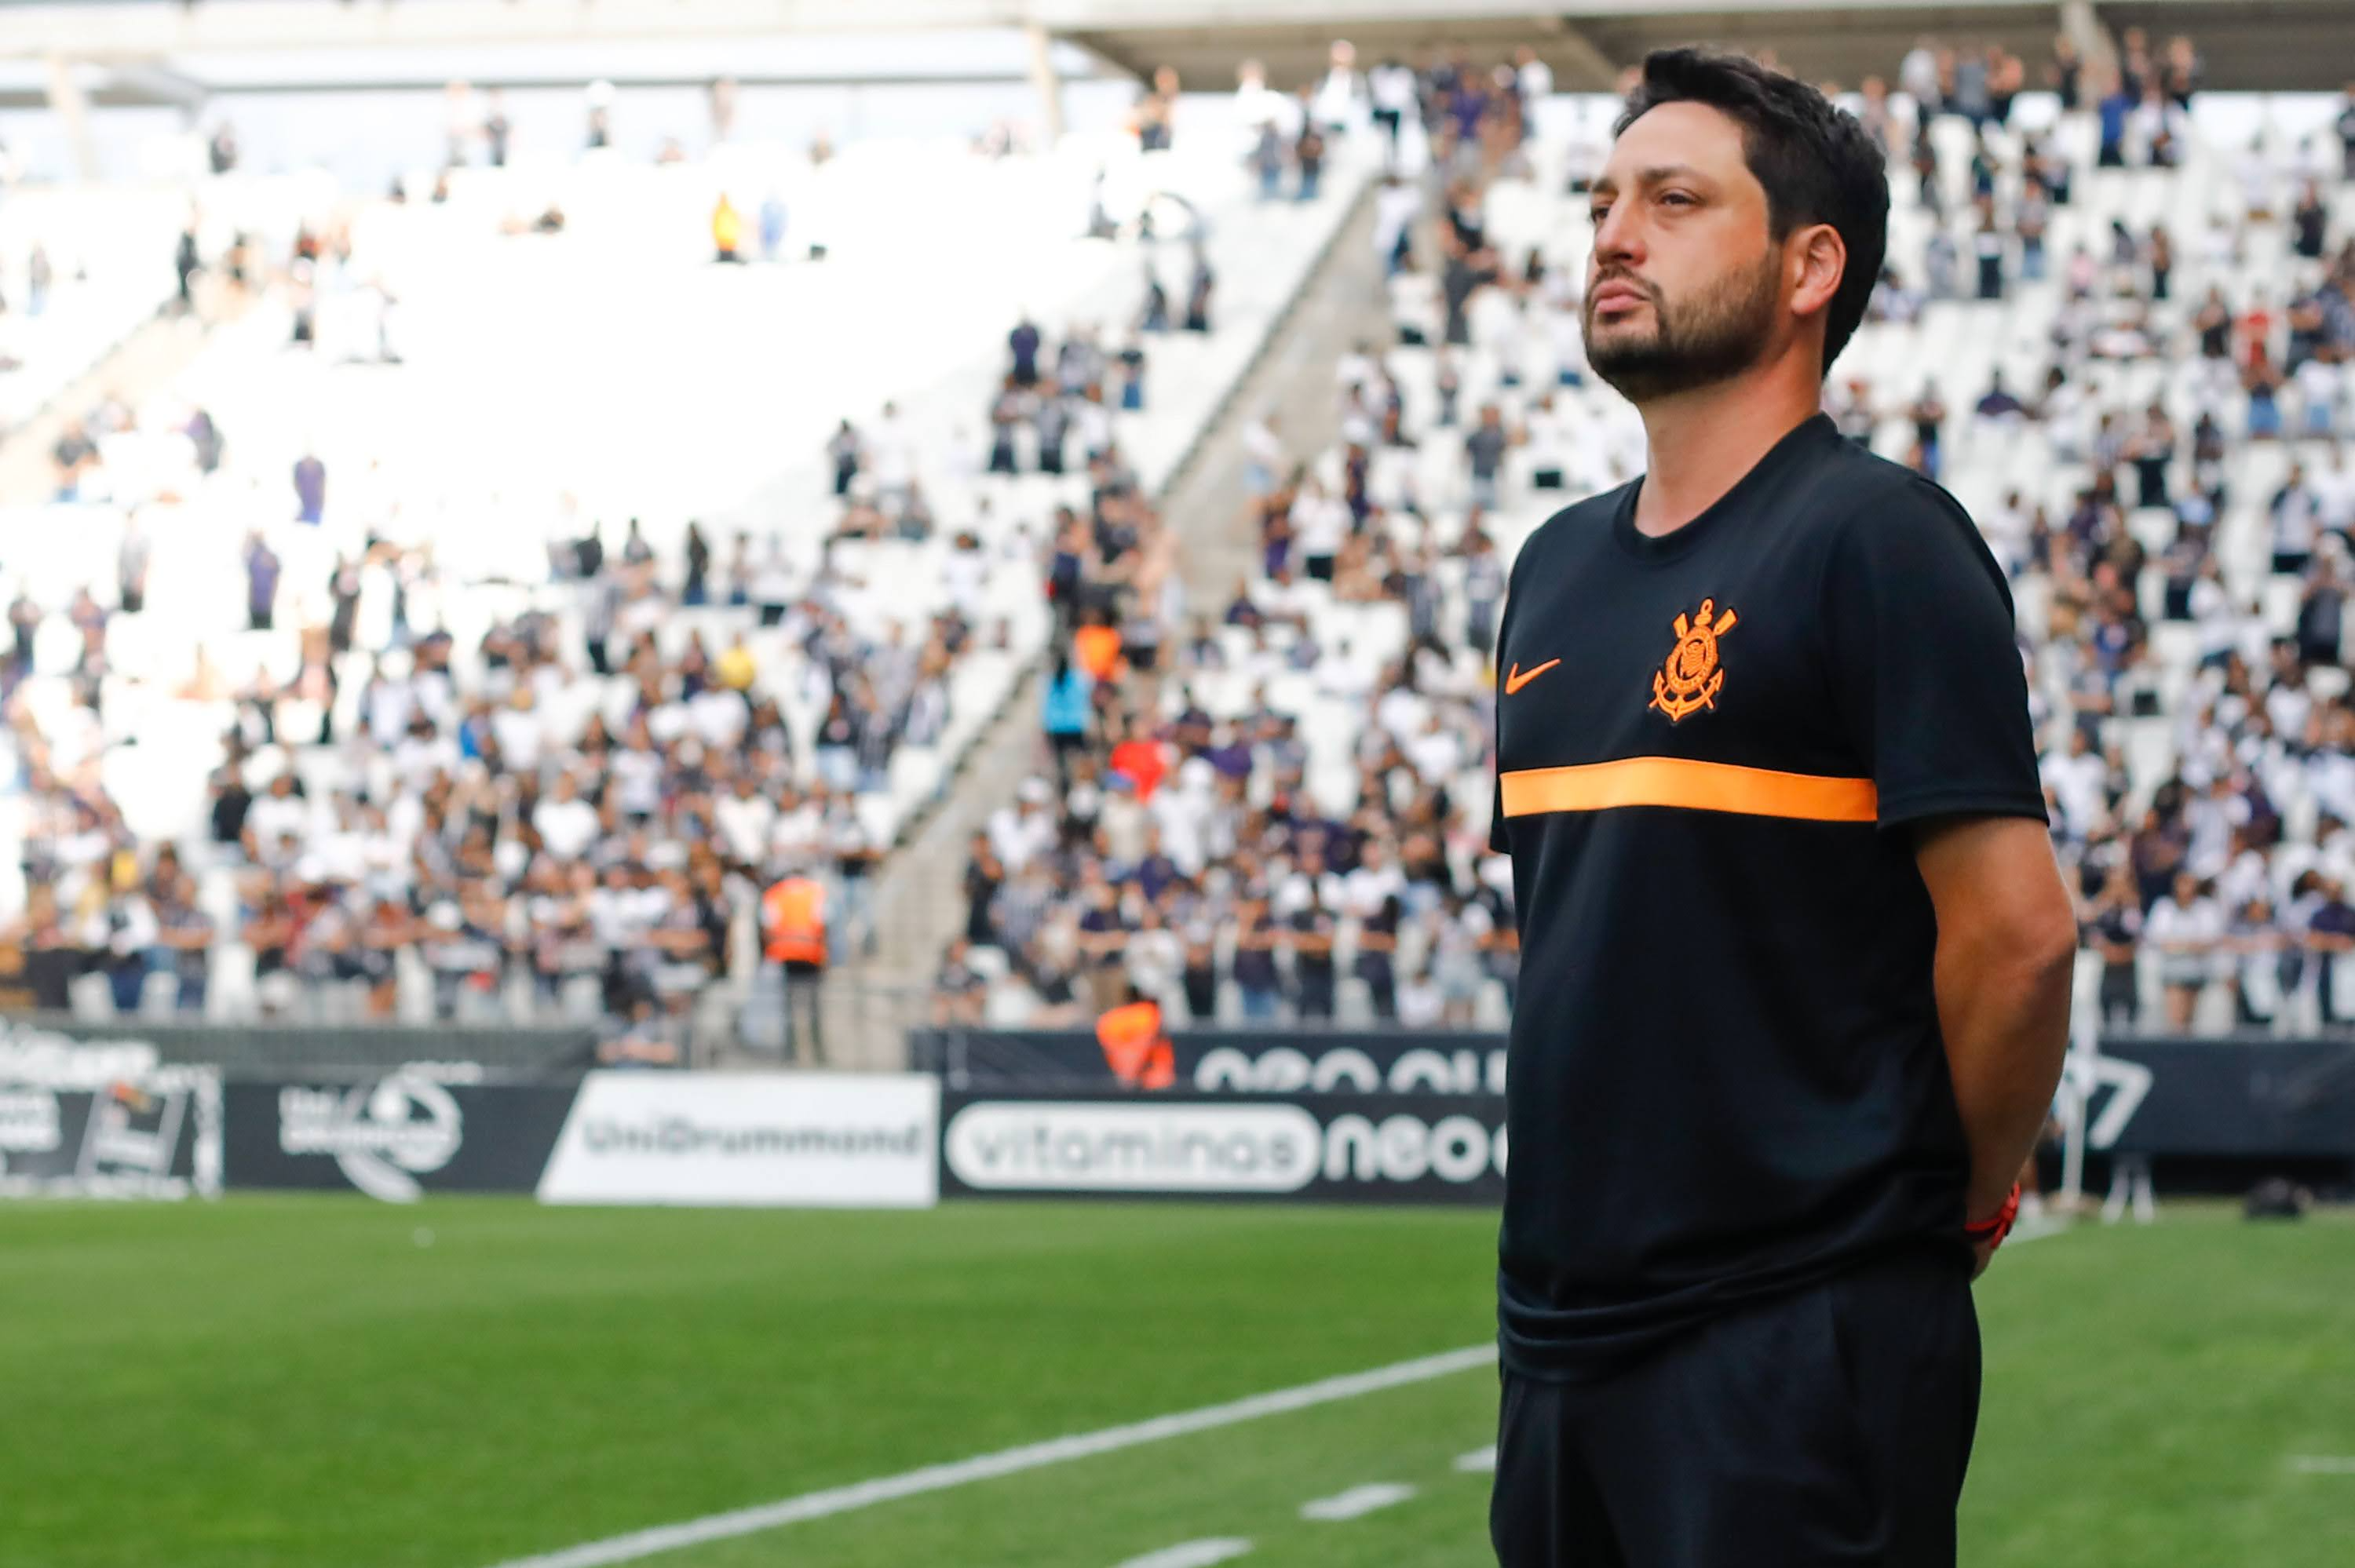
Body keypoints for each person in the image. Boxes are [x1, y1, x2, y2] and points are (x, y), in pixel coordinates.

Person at [1486, 52, 2074, 1567]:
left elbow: (2017, 943)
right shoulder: (1549, 568)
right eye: (1604, 201)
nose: (1615, 234)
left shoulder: (1880, 539)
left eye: (1675, 202)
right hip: (1557, 1348)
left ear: (1812, 265)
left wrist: (1937, 1219)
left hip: (1796, 1342)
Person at [761, 860, 828, 1065]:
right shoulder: (816, 892)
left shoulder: (775, 894)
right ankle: (817, 1053)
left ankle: (791, 1054)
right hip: (811, 953)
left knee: (788, 1009)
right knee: (813, 1008)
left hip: (785, 955)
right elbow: (824, 923)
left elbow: (767, 926)